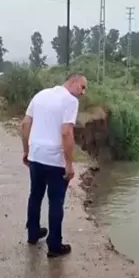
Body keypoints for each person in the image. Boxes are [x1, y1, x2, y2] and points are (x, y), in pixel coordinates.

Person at [19, 73, 87, 258]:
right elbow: (66, 133)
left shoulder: (40, 95)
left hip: (36, 156)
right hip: (55, 160)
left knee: (35, 195)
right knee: (56, 202)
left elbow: (25, 124)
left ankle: (33, 234)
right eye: (82, 87)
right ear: (73, 83)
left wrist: (26, 151)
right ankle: (54, 245)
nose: (83, 92)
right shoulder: (70, 101)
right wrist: (69, 164)